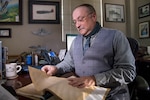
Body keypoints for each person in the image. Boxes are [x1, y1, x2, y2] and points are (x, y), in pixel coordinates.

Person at [41, 4, 136, 100]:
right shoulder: (76, 41)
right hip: (82, 92)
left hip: (111, 95)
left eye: (81, 19)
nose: (77, 25)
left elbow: (129, 72)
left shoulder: (116, 36)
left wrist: (95, 79)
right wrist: (55, 68)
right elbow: (68, 62)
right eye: (75, 22)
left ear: (94, 17)